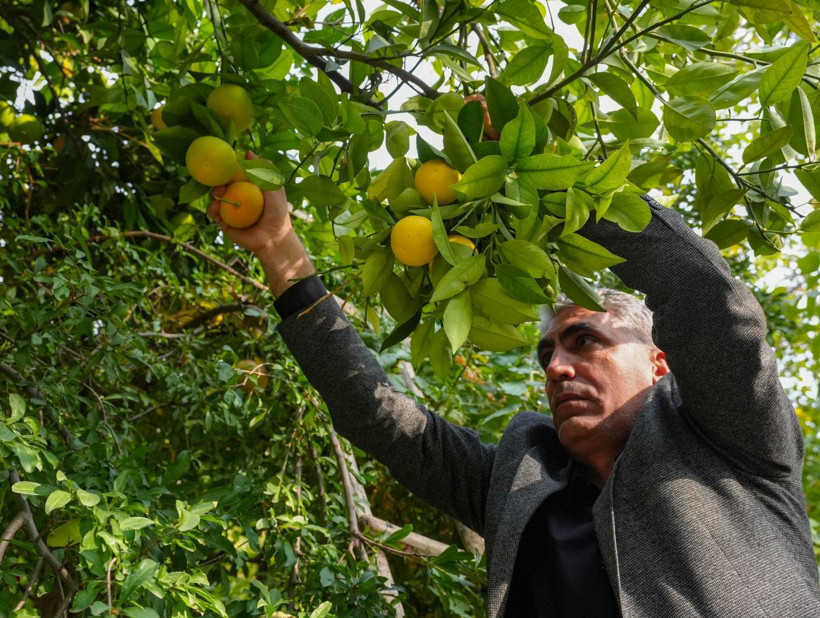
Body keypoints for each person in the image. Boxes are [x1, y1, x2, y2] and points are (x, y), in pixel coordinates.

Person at [209, 164, 820, 617]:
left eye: (585, 342)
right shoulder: (523, 481)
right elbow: (379, 417)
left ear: (660, 363)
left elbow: (701, 294)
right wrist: (276, 247)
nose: (556, 368)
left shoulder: (732, 436)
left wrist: (542, 182)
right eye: (548, 353)